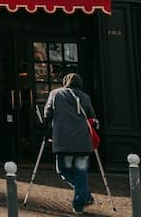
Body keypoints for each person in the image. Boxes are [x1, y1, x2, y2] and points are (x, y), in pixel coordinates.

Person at [44, 73, 98, 214]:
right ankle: (82, 198)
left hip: (63, 141)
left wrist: (49, 133)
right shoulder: (85, 97)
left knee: (62, 169)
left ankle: (83, 197)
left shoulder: (55, 94)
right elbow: (92, 116)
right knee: (80, 172)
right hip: (82, 142)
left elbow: (47, 113)